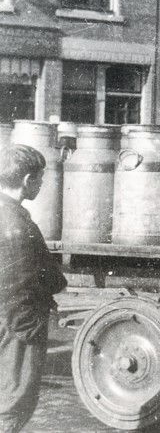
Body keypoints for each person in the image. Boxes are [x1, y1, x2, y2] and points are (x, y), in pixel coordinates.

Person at [0, 144, 67, 433]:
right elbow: (19, 285)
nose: (41, 185)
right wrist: (28, 329)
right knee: (14, 402)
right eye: (40, 179)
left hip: (8, 321)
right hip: (17, 326)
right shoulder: (16, 224)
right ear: (28, 180)